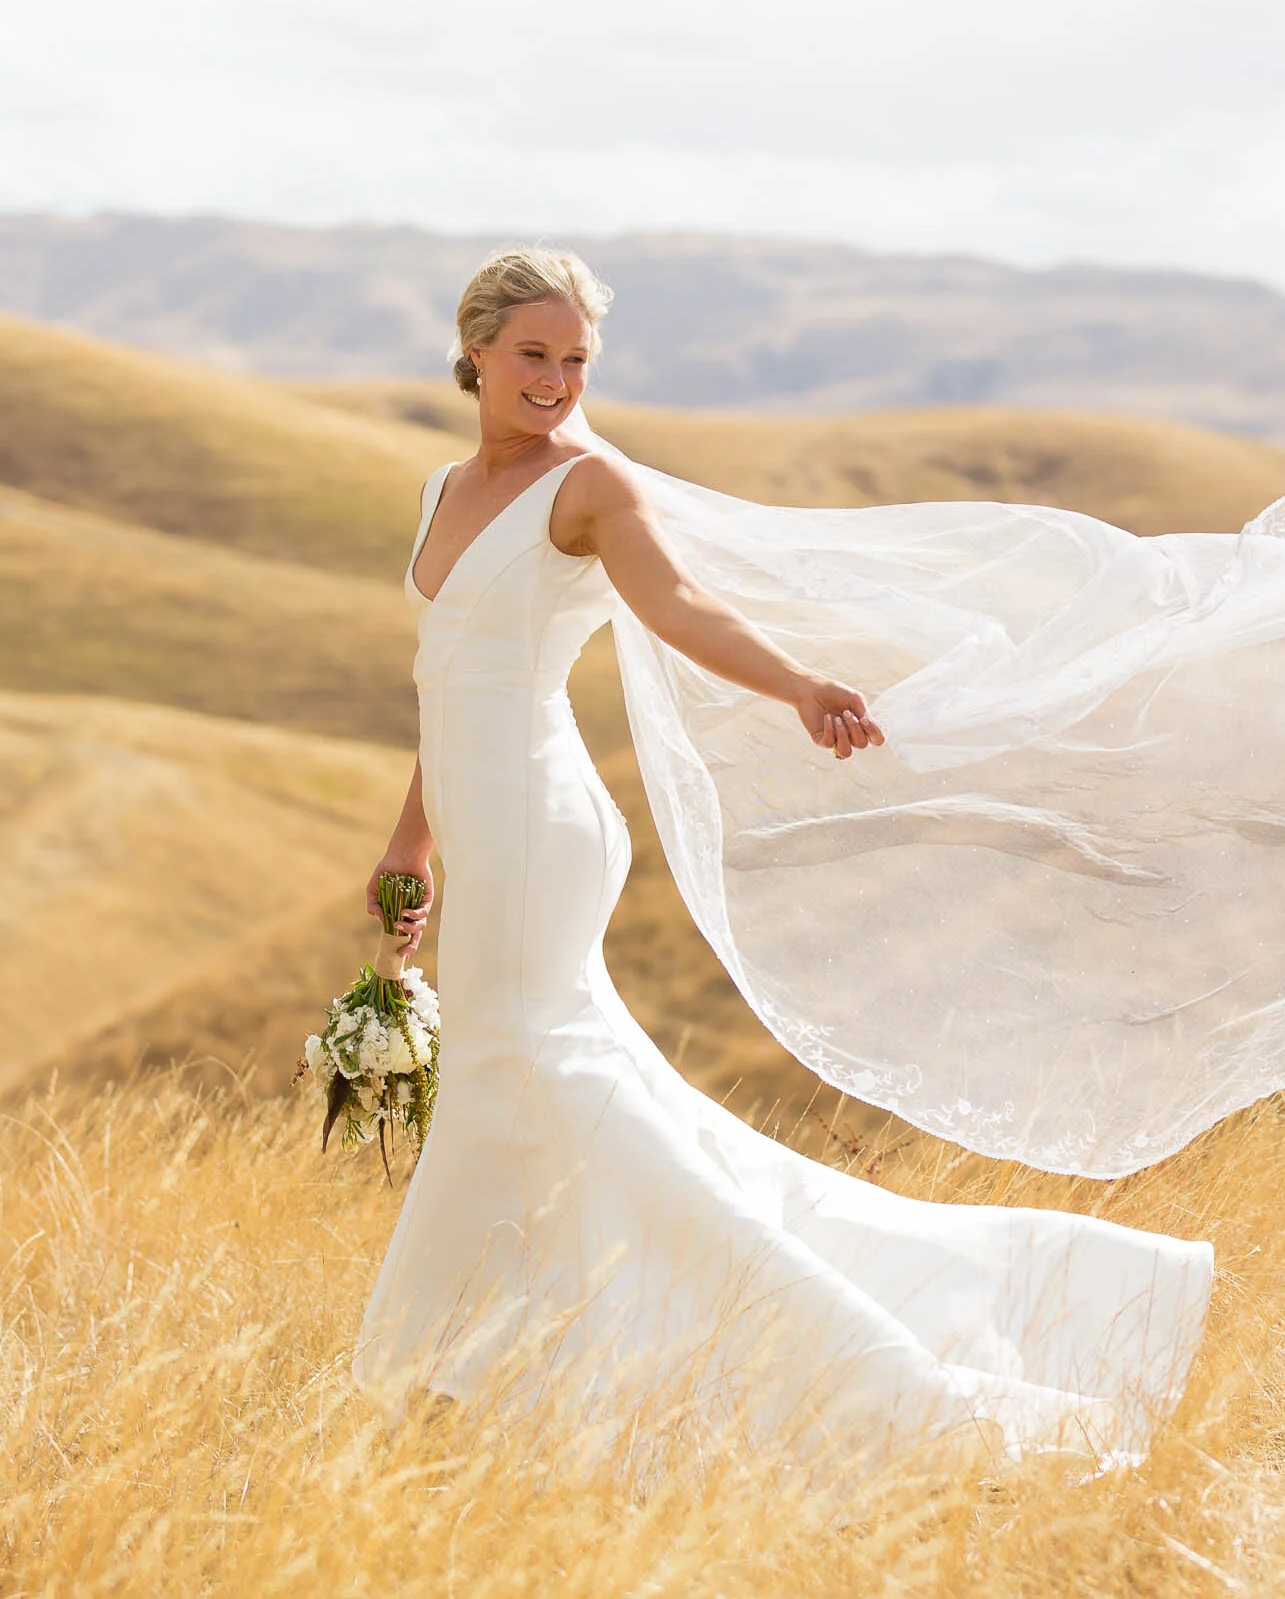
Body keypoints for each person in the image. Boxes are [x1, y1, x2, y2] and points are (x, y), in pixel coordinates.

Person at [353, 248, 1217, 1471]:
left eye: (576, 359)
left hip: (543, 827)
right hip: (476, 819)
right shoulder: (442, 488)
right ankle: (502, 1366)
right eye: (533, 354)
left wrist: (797, 686)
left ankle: (821, 1370)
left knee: (526, 1068)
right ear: (477, 351)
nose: (554, 379)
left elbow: (684, 610)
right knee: (531, 1082)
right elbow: (450, 688)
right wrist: (410, 841)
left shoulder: (589, 488)